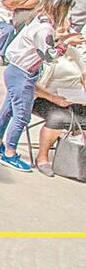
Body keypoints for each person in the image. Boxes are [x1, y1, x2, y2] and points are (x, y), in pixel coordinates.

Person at [0, 0, 80, 173]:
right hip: (23, 74)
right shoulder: (44, 28)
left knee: (8, 109)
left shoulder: (39, 19)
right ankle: (10, 153)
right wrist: (67, 44)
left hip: (15, 71)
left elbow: (44, 43)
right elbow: (49, 55)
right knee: (21, 115)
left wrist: (63, 37)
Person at [31, 38, 86, 177]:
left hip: (72, 98)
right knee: (58, 118)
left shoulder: (73, 53)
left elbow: (84, 76)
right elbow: (32, 86)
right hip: (42, 97)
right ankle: (42, 157)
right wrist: (56, 99)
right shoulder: (40, 56)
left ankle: (80, 161)